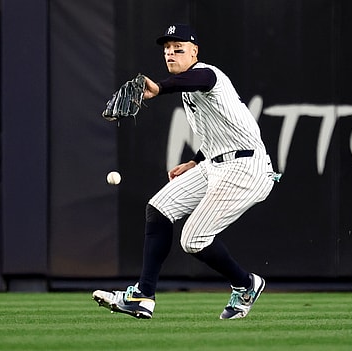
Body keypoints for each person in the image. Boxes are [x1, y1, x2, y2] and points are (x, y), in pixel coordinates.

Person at [93, 24, 281, 320]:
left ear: (194, 52)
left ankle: (246, 284)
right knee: (159, 208)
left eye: (178, 49)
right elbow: (222, 131)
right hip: (215, 164)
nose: (171, 53)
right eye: (167, 50)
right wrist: (196, 160)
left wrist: (160, 87)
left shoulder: (208, 74)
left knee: (193, 240)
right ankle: (144, 296)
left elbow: (201, 78)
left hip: (247, 168)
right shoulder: (189, 87)